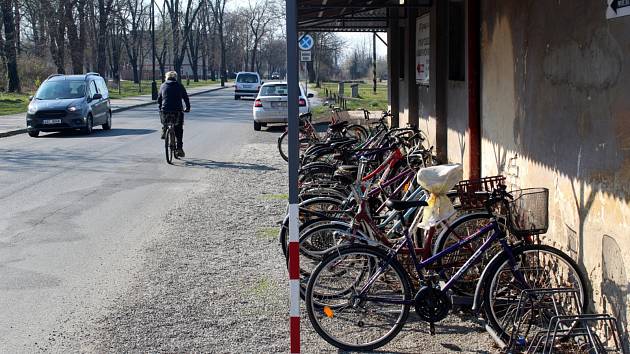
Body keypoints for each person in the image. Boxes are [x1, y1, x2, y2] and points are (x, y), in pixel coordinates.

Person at [157, 71, 190, 157]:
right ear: (175, 77)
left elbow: (159, 99)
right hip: (177, 110)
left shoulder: (163, 85)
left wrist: (160, 107)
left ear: (166, 77)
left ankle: (164, 128)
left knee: (164, 117)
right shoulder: (179, 86)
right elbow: (186, 98)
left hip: (165, 110)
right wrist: (188, 108)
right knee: (179, 129)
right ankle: (179, 148)